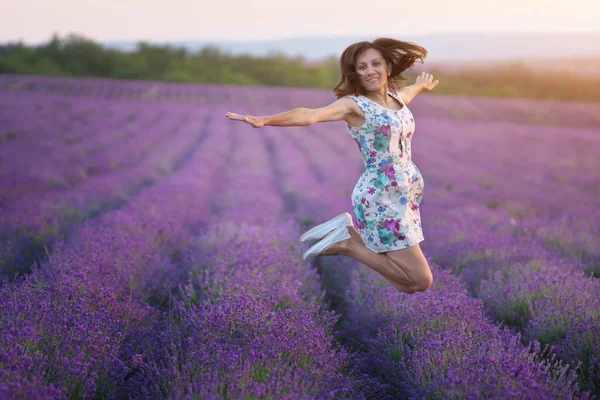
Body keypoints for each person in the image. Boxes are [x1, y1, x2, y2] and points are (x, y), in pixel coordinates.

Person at [225, 38, 439, 294]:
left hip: (403, 199)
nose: (370, 71)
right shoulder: (354, 106)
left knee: (408, 285)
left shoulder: (396, 100)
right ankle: (348, 242)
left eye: (375, 64)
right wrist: (264, 120)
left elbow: (406, 95)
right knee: (420, 281)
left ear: (388, 68)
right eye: (361, 67)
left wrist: (420, 86)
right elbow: (310, 114)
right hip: (381, 198)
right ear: (355, 75)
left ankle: (346, 233)